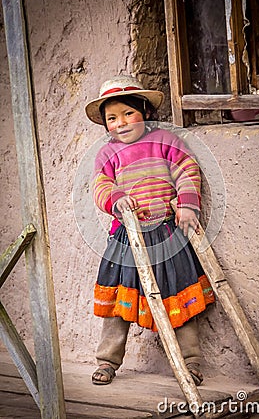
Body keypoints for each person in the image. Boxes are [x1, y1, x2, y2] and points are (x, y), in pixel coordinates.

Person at [85, 75, 215, 386]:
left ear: (144, 110)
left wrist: (186, 203)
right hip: (126, 237)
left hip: (166, 235)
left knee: (178, 297)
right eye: (112, 118)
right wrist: (118, 199)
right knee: (118, 303)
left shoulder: (166, 142)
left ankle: (190, 362)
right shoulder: (107, 153)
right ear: (105, 125)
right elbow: (101, 185)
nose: (121, 123)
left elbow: (186, 169)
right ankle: (107, 361)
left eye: (128, 113)